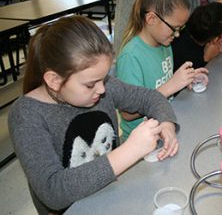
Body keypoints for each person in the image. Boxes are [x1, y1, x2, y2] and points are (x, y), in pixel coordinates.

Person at [8, 15, 180, 215]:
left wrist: (166, 123)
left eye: (104, 78)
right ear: (54, 80)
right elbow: (53, 191)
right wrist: (130, 151)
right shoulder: (26, 115)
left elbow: (149, 98)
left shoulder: (100, 84)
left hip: (112, 194)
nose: (101, 90)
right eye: (90, 84)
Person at [116, 0, 209, 140]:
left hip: (164, 127)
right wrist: (171, 86)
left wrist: (186, 79)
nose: (178, 34)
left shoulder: (165, 45)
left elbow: (161, 84)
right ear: (151, 19)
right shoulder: (131, 56)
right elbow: (127, 113)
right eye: (174, 28)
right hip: (140, 143)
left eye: (181, 28)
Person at [172, 2, 222, 73]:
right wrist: (206, 59)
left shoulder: (188, 29)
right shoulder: (182, 53)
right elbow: (189, 79)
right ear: (215, 39)